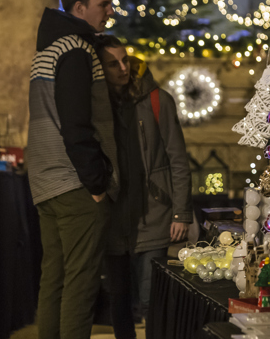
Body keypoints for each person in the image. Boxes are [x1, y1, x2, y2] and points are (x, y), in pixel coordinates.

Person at [27, 0, 119, 339]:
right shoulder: (76, 50)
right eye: (104, 4)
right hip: (74, 184)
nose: (109, 12)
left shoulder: (47, 48)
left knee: (55, 279)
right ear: (79, 7)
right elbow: (76, 124)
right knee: (80, 285)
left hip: (46, 182)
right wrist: (96, 183)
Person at [97, 35, 193, 339]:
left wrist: (181, 213)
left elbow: (178, 159)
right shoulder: (97, 105)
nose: (123, 68)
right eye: (113, 64)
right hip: (113, 219)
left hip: (155, 215)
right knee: (119, 300)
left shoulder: (157, 99)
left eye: (125, 60)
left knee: (152, 300)